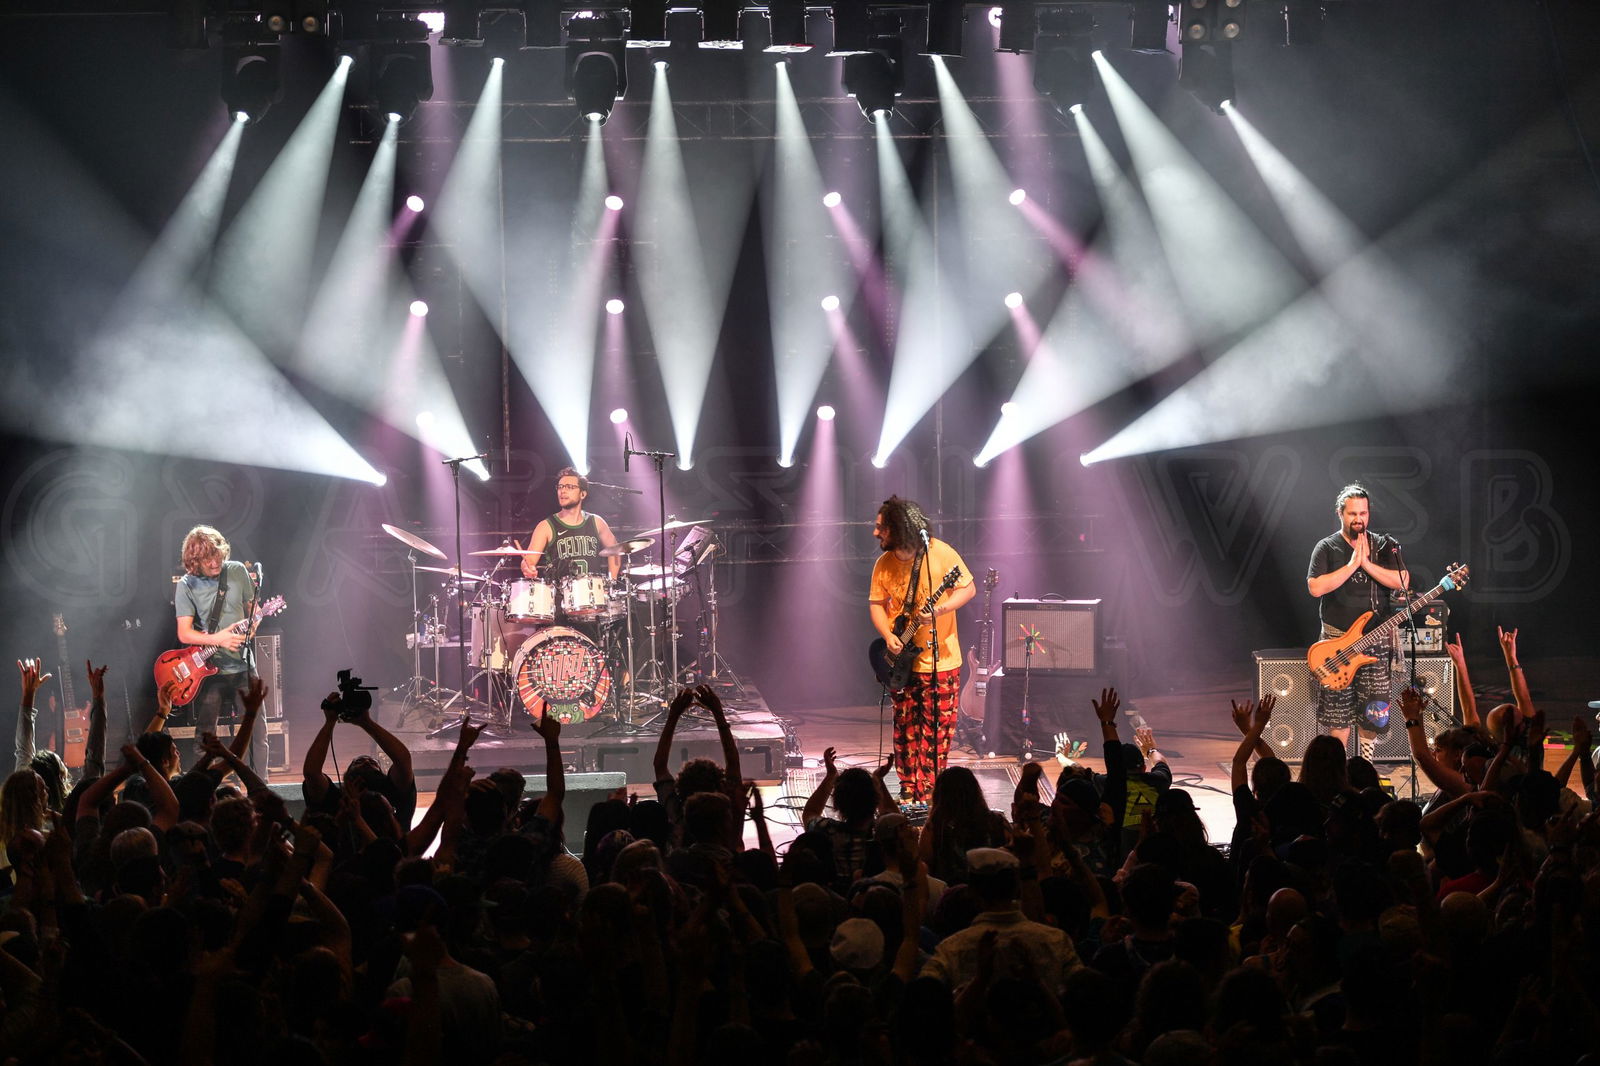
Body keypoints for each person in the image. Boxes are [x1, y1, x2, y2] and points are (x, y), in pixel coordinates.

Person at [868, 495, 975, 803]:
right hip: (902, 662)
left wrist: (941, 609)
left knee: (936, 730)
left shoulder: (940, 553)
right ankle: (907, 785)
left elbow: (968, 588)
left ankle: (930, 789)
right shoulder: (883, 564)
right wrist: (887, 635)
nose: (875, 533)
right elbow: (876, 604)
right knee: (904, 728)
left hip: (940, 660)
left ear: (900, 528)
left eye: (881, 528)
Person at [1306, 484, 1408, 758]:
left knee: (1373, 712)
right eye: (1352, 514)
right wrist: (1352, 564)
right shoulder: (1326, 547)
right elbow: (1315, 587)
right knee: (1338, 714)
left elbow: (1402, 580)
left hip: (1376, 643)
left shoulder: (1384, 545)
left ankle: (1365, 767)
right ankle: (1338, 770)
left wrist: (1366, 564)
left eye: (1363, 513)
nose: (1358, 519)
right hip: (1337, 643)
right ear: (1340, 513)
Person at [174, 525, 267, 771]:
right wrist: (220, 639)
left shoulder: (236, 570)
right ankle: (204, 784)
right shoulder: (186, 584)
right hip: (209, 668)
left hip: (243, 664)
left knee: (257, 731)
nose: (215, 562)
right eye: (207, 558)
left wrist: (253, 624)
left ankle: (261, 785)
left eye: (217, 555)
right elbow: (184, 633)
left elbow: (253, 610)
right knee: (205, 735)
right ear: (194, 560)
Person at [519, 467, 621, 584]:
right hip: (560, 594)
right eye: (560, 487)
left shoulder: (597, 522)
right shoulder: (546, 526)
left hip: (593, 594)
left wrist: (611, 583)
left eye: (569, 487)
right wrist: (527, 567)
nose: (562, 491)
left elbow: (616, 551)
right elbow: (529, 560)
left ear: (582, 494)